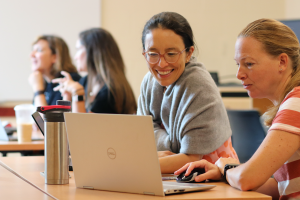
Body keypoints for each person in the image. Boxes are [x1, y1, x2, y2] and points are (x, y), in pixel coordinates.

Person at [175, 18, 300, 200]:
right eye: (238, 64)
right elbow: (280, 186)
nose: (239, 74)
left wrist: (228, 168)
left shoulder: (296, 103)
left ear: (282, 62)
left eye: (249, 64)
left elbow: (246, 179)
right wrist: (226, 173)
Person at [137, 12, 238, 174]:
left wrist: (136, 164)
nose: (161, 63)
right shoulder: (148, 82)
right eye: (153, 54)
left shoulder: (199, 85)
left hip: (208, 177)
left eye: (171, 54)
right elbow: (141, 136)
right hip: (165, 174)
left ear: (188, 53)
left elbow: (191, 158)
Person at [52, 28, 137, 114]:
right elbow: (64, 122)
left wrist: (77, 93)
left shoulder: (111, 91)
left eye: (78, 49)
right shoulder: (85, 80)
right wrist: (67, 96)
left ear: (93, 52)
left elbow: (81, 126)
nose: (75, 57)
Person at [28, 35, 81, 107]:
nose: (32, 55)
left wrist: (38, 89)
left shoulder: (70, 81)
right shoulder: (44, 82)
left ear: (55, 57)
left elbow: (44, 118)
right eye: (33, 50)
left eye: (39, 50)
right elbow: (36, 117)